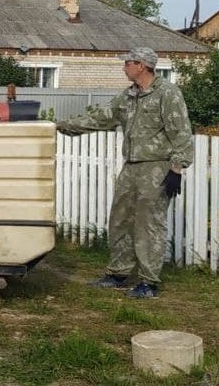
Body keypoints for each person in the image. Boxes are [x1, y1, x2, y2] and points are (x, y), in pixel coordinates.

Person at [57, 47, 193, 299]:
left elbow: (181, 131)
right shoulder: (128, 95)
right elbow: (102, 117)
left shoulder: (168, 94)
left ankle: (148, 281)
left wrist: (177, 168)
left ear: (142, 65)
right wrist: (63, 126)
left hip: (157, 166)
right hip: (131, 166)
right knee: (119, 219)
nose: (124, 67)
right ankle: (118, 273)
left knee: (149, 223)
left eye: (128, 63)